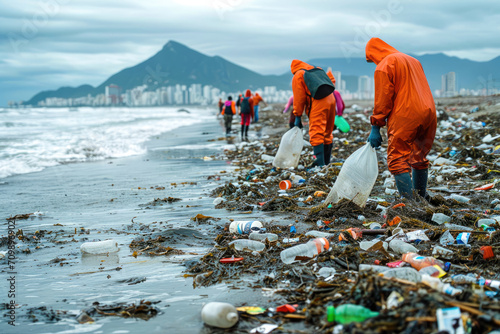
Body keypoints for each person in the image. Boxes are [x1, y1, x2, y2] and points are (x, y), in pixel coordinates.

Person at [365, 37, 437, 200]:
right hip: (429, 112)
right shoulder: (413, 60)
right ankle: (421, 197)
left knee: (398, 159)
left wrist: (376, 126)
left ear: (375, 53)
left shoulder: (385, 65)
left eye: (372, 59)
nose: (375, 63)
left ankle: (411, 205)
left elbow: (383, 99)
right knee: (419, 156)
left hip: (406, 113)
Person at [291, 59, 336, 167]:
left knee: (317, 131)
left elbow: (299, 98)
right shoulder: (317, 70)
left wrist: (297, 115)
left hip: (318, 101)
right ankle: (326, 161)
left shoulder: (298, 74)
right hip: (331, 99)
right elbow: (331, 81)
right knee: (327, 132)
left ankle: (319, 164)